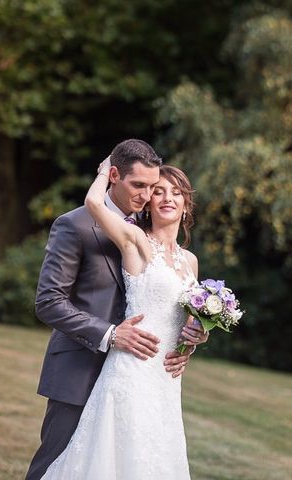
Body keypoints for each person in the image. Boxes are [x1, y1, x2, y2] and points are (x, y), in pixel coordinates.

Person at [26, 140, 207, 480]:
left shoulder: (158, 235)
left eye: (154, 188)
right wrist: (110, 334)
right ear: (114, 176)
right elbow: (49, 302)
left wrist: (191, 342)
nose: (153, 195)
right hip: (82, 366)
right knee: (57, 465)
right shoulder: (77, 225)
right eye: (144, 186)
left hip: (148, 375)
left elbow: (174, 313)